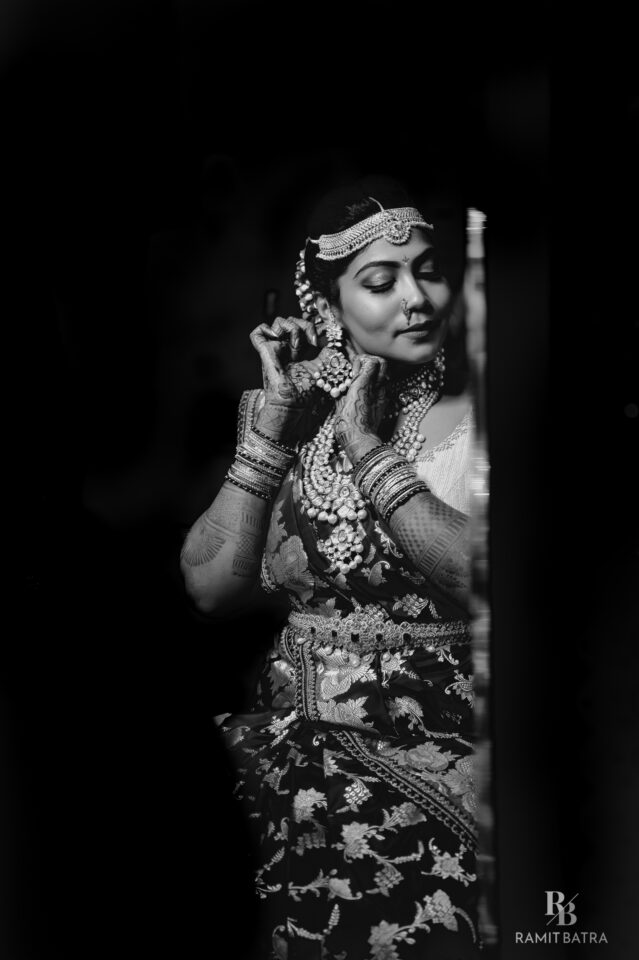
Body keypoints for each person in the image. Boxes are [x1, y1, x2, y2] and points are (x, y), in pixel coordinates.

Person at [180, 176, 481, 959]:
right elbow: (210, 590)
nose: (414, 297)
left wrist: (368, 450)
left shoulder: (480, 414)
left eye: (429, 269)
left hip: (438, 737)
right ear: (325, 305)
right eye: (380, 282)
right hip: (286, 730)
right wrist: (272, 434)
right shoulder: (289, 411)